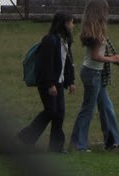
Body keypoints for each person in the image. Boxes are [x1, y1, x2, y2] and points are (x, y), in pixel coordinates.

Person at [69, 0, 119, 152]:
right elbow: (95, 56)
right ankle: (78, 144)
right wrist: (112, 59)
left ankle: (112, 142)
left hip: (95, 72)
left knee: (106, 107)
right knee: (88, 109)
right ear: (100, 12)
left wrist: (110, 60)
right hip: (92, 73)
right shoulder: (96, 34)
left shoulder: (95, 30)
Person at [17, 11, 75, 153]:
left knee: (59, 113)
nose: (73, 25)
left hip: (59, 83)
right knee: (51, 111)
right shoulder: (50, 40)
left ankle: (56, 147)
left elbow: (68, 62)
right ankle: (25, 137)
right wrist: (50, 84)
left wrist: (71, 81)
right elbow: (46, 64)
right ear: (63, 23)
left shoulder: (65, 41)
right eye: (71, 22)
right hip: (48, 83)